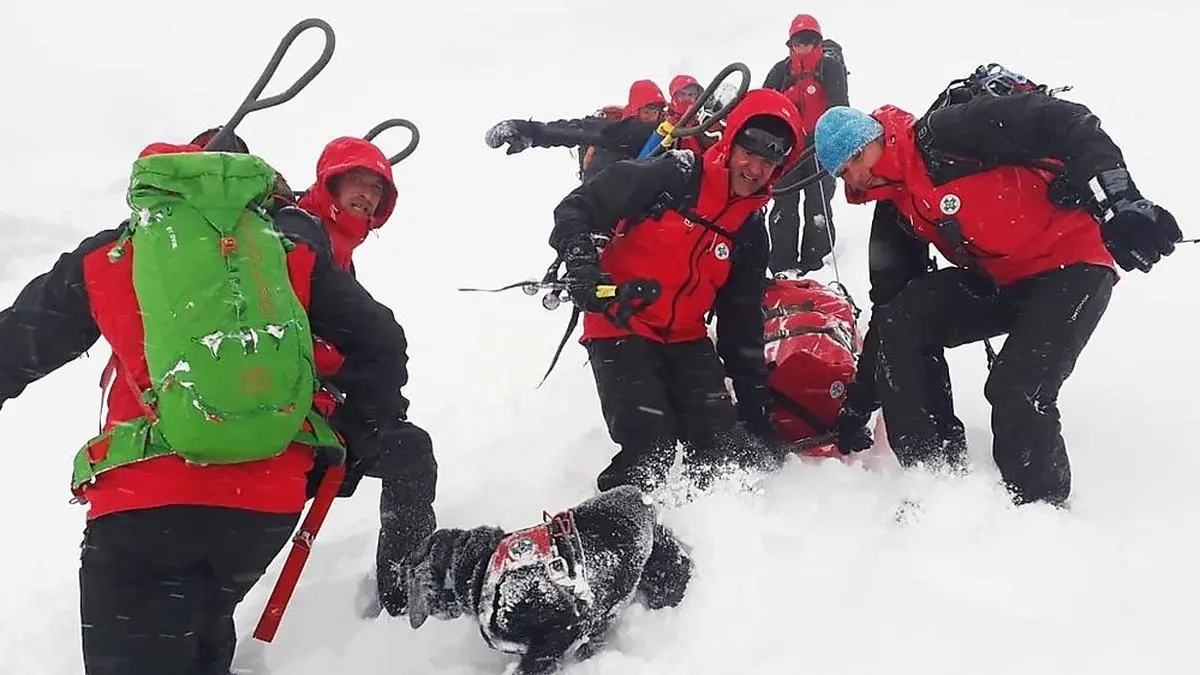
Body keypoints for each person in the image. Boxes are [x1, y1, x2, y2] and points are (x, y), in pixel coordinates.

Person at [0, 141, 411, 674]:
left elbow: (14, 347)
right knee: (202, 631)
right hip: (264, 505)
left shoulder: (115, 254)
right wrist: (349, 450)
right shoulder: (286, 249)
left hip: (145, 505)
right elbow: (383, 341)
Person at [813, 90, 1182, 506]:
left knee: (1015, 388)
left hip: (1073, 264)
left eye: (857, 157)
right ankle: (934, 477)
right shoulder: (897, 208)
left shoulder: (946, 135)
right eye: (843, 172)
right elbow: (889, 311)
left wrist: (1119, 200)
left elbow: (1066, 122)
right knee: (905, 316)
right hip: (1004, 280)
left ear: (878, 135)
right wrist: (859, 405)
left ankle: (1040, 507)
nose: (856, 176)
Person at [548, 88, 805, 493]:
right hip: (619, 324)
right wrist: (581, 262)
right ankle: (613, 533)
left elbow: (741, 326)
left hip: (686, 337)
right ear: (731, 140)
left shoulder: (751, 231)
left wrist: (756, 415)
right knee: (651, 448)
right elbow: (578, 206)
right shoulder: (675, 175)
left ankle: (703, 536)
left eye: (769, 159)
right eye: (749, 151)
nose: (754, 167)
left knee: (720, 450)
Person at [294, 136, 439, 619]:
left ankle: (402, 590)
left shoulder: (334, 244)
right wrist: (352, 373)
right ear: (329, 181)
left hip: (315, 404)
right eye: (357, 179)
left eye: (377, 188)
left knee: (408, 449)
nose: (368, 194)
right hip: (291, 407)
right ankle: (402, 595)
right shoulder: (300, 230)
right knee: (408, 451)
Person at [394, 485, 693, 675]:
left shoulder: (504, 608)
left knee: (677, 598)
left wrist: (533, 669)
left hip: (632, 529)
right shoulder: (506, 559)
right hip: (620, 506)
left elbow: (569, 622)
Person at [486, 78, 712, 181]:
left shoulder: (689, 126)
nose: (653, 115)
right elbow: (576, 130)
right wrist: (526, 131)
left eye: (694, 95)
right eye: (647, 110)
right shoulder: (626, 129)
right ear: (635, 110)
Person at [762, 14, 849, 276]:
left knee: (818, 206)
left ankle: (817, 264)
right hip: (787, 148)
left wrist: (835, 148)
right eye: (798, 41)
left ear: (817, 42)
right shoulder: (780, 71)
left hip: (820, 146)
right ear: (790, 44)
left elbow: (839, 109)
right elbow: (765, 105)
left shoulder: (830, 67)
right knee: (783, 206)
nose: (802, 46)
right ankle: (782, 266)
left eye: (808, 41)